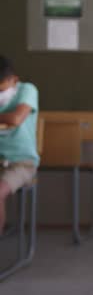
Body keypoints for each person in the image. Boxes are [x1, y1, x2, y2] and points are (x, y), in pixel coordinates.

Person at [0, 55, 39, 233]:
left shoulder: (27, 90)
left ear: (14, 80)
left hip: (21, 162)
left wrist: (8, 117)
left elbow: (16, 118)